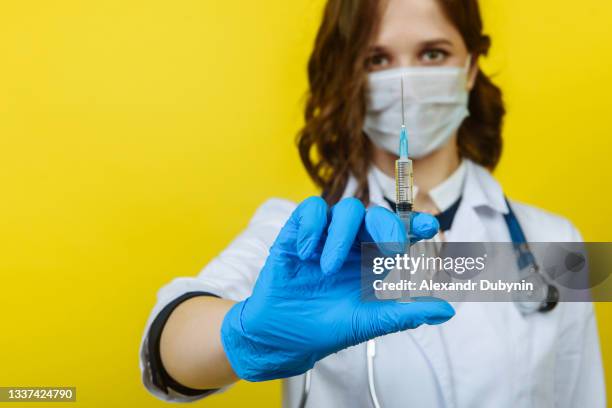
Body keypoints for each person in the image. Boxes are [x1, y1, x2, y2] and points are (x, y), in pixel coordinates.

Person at [139, 0, 606, 406]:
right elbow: (170, 347)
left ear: (469, 68)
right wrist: (243, 334)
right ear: (349, 77)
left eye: (432, 53)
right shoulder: (303, 235)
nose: (407, 80)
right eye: (377, 59)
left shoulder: (552, 241)